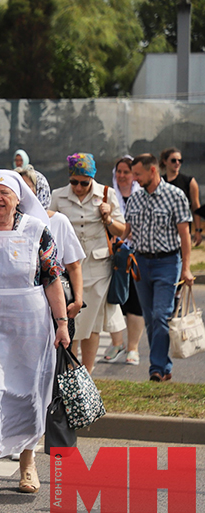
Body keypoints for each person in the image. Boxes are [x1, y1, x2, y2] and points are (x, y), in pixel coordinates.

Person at [0, 169, 70, 499]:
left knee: (26, 393)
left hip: (28, 324)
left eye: (5, 193)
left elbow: (51, 279)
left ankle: (27, 463)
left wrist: (61, 324)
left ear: (19, 198)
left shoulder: (38, 231)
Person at [49, 153, 126, 374]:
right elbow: (48, 223)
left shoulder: (106, 194)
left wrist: (108, 218)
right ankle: (69, 372)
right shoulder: (58, 195)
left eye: (84, 182)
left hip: (98, 267)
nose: (79, 187)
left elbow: (122, 231)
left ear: (92, 179)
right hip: (68, 269)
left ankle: (87, 374)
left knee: (92, 324)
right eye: (74, 181)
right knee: (72, 321)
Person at [123, 154, 194, 382]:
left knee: (161, 315)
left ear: (152, 170)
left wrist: (186, 268)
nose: (134, 179)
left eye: (137, 174)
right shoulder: (135, 199)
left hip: (168, 263)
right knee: (151, 318)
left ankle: (156, 368)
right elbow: (126, 231)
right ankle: (164, 366)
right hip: (141, 263)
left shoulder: (175, 196)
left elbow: (185, 235)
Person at [17, 166, 85, 345]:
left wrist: (78, 300)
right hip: (21, 305)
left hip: (56, 302)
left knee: (58, 358)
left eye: (27, 188)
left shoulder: (59, 221)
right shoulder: (7, 225)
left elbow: (73, 265)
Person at [109, 156, 144, 365]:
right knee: (113, 300)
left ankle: (133, 348)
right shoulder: (108, 195)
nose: (122, 176)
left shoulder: (141, 196)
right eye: (119, 171)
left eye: (126, 172)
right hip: (114, 256)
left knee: (135, 302)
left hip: (136, 255)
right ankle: (117, 344)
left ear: (134, 175)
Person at [160, 147, 202, 246]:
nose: (177, 163)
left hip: (182, 229)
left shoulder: (189, 181)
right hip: (162, 229)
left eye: (180, 160)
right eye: (173, 160)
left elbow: (196, 206)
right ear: (165, 162)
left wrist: (198, 230)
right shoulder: (159, 182)